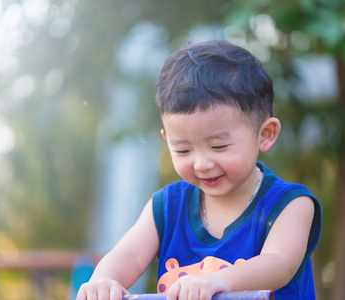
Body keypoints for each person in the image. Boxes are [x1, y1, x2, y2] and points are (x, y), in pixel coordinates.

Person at [77, 40, 322, 300]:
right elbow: (128, 254)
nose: (201, 163)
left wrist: (218, 281)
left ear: (265, 134)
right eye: (183, 150)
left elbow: (280, 263)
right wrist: (103, 281)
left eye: (218, 146)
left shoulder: (290, 205)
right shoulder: (168, 205)